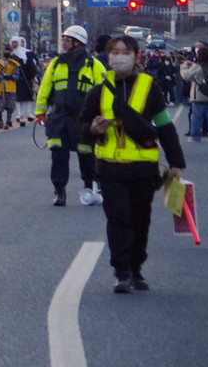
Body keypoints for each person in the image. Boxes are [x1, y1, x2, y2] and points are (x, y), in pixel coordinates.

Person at [78, 35, 185, 293]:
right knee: (119, 219)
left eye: (125, 52)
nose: (119, 56)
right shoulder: (98, 91)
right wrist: (92, 129)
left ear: (137, 56)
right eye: (114, 52)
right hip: (110, 167)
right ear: (108, 56)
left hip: (144, 170)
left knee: (140, 220)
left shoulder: (150, 88)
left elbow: (165, 126)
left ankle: (136, 268)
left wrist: (176, 163)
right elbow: (82, 127)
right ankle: (121, 272)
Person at [35, 24, 107, 207]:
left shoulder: (94, 66)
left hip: (84, 121)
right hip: (59, 119)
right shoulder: (55, 64)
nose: (64, 43)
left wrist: (103, 117)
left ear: (78, 43)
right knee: (58, 156)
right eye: (64, 39)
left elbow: (105, 94)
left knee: (87, 154)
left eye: (67, 40)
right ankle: (59, 191)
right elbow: (45, 89)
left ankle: (89, 188)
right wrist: (40, 113)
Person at [179, 46, 208, 143]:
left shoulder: (197, 67)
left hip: (199, 96)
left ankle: (195, 137)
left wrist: (184, 66)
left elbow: (187, 76)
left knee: (196, 118)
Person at [11, 37, 38, 126]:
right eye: (13, 42)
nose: (14, 44)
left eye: (16, 42)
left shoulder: (28, 53)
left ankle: (28, 113)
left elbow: (33, 65)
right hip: (17, 78)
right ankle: (20, 114)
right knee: (19, 97)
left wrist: (32, 76)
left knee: (28, 96)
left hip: (27, 77)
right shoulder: (11, 54)